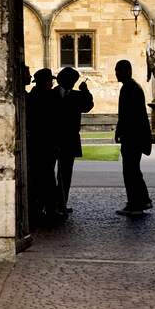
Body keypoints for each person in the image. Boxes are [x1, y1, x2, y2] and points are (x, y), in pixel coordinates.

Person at [53, 66, 94, 216]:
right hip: (52, 140)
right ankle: (52, 204)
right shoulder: (51, 95)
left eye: (74, 81)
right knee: (49, 174)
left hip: (70, 141)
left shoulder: (78, 96)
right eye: (71, 80)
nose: (73, 83)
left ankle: (62, 203)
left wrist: (86, 91)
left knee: (65, 174)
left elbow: (88, 106)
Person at [114, 59, 153, 215]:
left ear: (127, 71)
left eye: (118, 70)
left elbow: (128, 116)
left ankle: (135, 204)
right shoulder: (131, 87)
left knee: (130, 171)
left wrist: (121, 132)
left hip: (132, 137)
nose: (116, 74)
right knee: (133, 170)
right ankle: (143, 200)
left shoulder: (130, 89)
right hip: (133, 136)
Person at [26, 68, 58, 222]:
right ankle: (48, 210)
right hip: (43, 144)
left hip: (40, 143)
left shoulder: (34, 95)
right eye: (49, 81)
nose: (51, 83)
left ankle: (41, 208)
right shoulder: (44, 97)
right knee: (46, 178)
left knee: (42, 177)